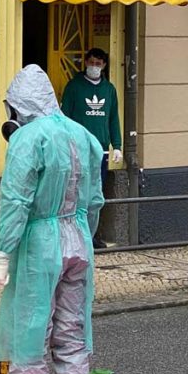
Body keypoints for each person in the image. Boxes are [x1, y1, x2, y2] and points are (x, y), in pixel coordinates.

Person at [0, 65, 105, 374]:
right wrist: (84, 234)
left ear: (17, 106)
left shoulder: (28, 139)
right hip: (79, 237)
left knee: (30, 335)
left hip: (40, 243)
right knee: (72, 334)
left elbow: (16, 201)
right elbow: (96, 200)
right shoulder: (84, 136)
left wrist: (3, 252)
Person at [61, 48, 121, 249]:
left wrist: (117, 145)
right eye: (92, 62)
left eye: (99, 64)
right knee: (76, 193)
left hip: (101, 151)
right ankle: (75, 234)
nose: (94, 67)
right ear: (86, 62)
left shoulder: (109, 90)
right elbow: (64, 118)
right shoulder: (74, 87)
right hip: (78, 150)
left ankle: (91, 234)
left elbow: (113, 119)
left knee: (95, 196)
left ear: (104, 66)